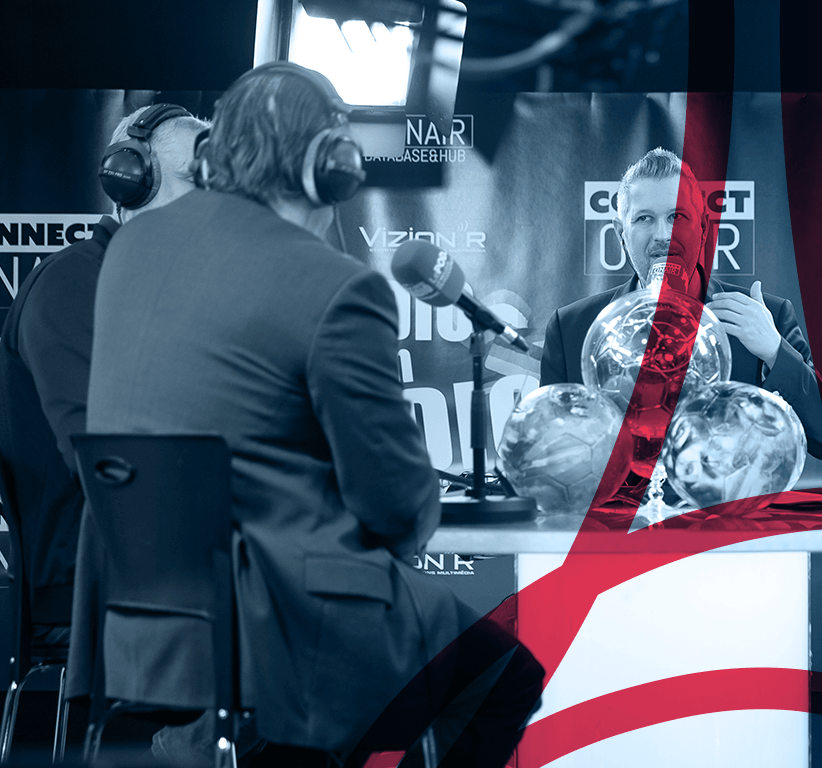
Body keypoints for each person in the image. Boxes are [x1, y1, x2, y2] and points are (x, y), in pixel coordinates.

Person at [71, 62, 542, 765]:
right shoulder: (336, 285)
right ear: (334, 167)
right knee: (506, 677)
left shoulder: (130, 249)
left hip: (147, 627)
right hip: (293, 635)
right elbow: (399, 511)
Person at [0, 103, 206, 652]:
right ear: (130, 180)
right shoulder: (72, 285)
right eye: (196, 180)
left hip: (166, 565)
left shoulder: (177, 298)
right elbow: (112, 464)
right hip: (92, 581)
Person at [540, 148, 822, 461]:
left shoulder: (766, 317)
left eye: (677, 217)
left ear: (703, 227)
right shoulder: (573, 329)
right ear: (622, 233)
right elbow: (550, 457)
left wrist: (774, 351)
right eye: (644, 218)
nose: (663, 235)